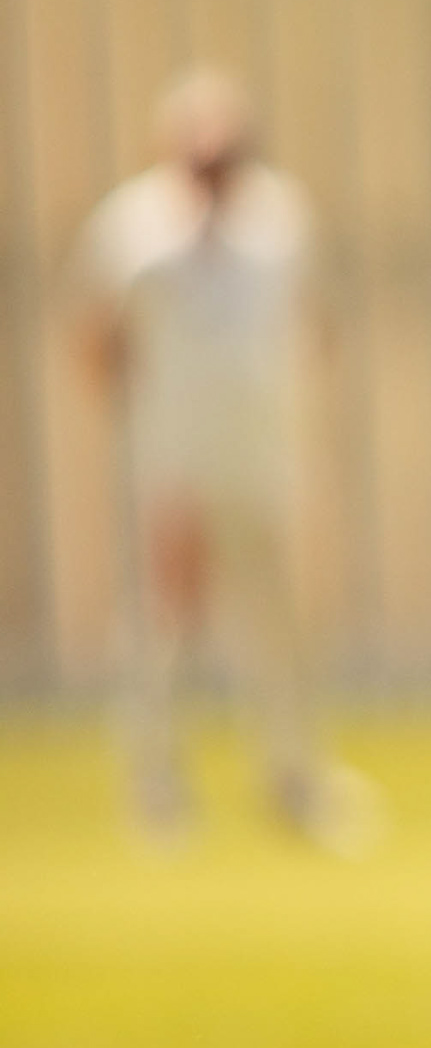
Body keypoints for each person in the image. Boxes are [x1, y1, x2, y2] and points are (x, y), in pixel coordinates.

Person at [70, 68, 371, 848]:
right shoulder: (134, 227)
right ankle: (157, 782)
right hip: (176, 458)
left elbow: (316, 325)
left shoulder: (281, 219)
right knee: (166, 621)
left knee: (280, 621)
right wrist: (149, 434)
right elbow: (99, 341)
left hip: (264, 457)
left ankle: (293, 776)